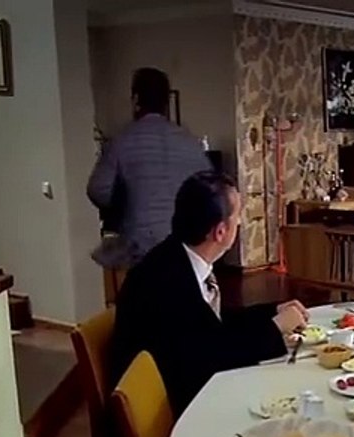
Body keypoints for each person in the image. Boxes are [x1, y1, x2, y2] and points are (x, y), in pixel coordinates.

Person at [110, 171, 308, 416]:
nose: (240, 223)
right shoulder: (164, 281)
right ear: (220, 232)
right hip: (173, 411)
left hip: (188, 384)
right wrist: (275, 328)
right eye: (237, 216)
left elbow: (214, 324)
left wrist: (273, 312)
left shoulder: (179, 258)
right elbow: (212, 355)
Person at [88, 67, 211, 299]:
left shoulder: (121, 141)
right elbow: (210, 193)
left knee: (142, 304)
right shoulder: (190, 143)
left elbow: (98, 190)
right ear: (166, 102)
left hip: (141, 248)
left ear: (136, 100)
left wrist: (123, 203)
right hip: (187, 247)